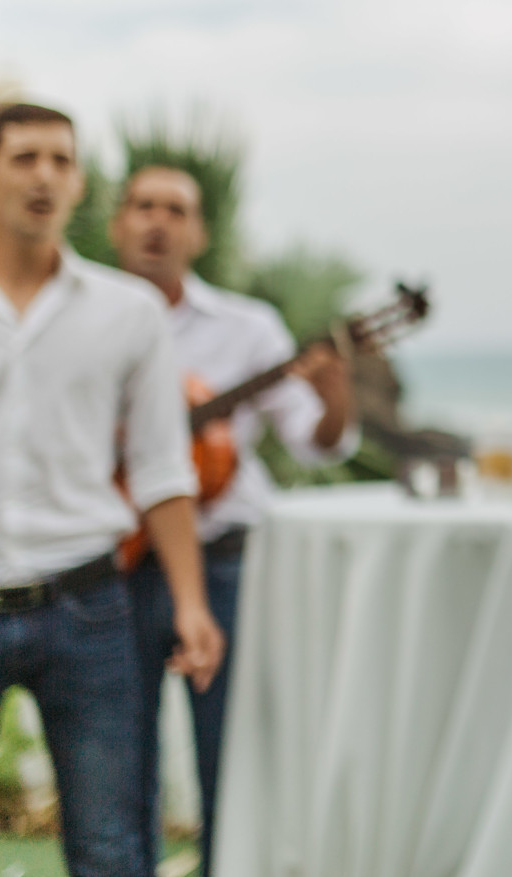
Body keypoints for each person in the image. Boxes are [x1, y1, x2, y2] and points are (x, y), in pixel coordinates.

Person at [0, 105, 224, 877]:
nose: (43, 174)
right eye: (25, 156)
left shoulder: (127, 312)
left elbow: (165, 468)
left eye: (61, 160)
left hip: (88, 607)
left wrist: (192, 603)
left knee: (109, 847)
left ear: (77, 184)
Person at [108, 164, 356, 873]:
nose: (158, 221)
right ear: (120, 222)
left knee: (230, 756)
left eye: (176, 210)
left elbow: (318, 441)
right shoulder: (90, 316)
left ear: (199, 232)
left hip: (222, 564)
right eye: (144, 206)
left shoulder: (248, 328)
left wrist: (336, 394)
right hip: (117, 564)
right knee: (122, 761)